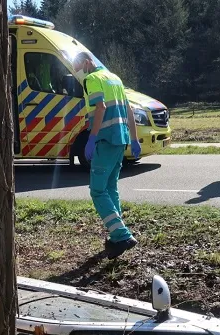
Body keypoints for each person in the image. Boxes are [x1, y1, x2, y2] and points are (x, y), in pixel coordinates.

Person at [74, 51, 140, 259]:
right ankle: (116, 233)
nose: (80, 74)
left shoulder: (92, 79)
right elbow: (129, 109)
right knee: (111, 188)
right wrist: (135, 139)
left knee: (98, 190)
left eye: (79, 68)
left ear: (87, 62)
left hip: (105, 139)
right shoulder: (114, 78)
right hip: (121, 139)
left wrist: (91, 138)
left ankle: (121, 235)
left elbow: (100, 108)